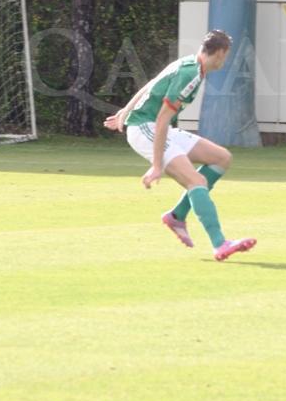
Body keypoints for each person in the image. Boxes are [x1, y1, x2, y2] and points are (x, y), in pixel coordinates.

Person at [103, 29, 256, 262]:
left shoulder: (190, 63)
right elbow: (162, 119)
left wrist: (125, 111)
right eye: (226, 55)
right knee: (197, 181)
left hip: (154, 126)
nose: (225, 61)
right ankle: (220, 244)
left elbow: (151, 84)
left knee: (221, 158)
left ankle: (177, 215)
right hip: (146, 129)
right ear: (220, 53)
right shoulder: (190, 74)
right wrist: (157, 165)